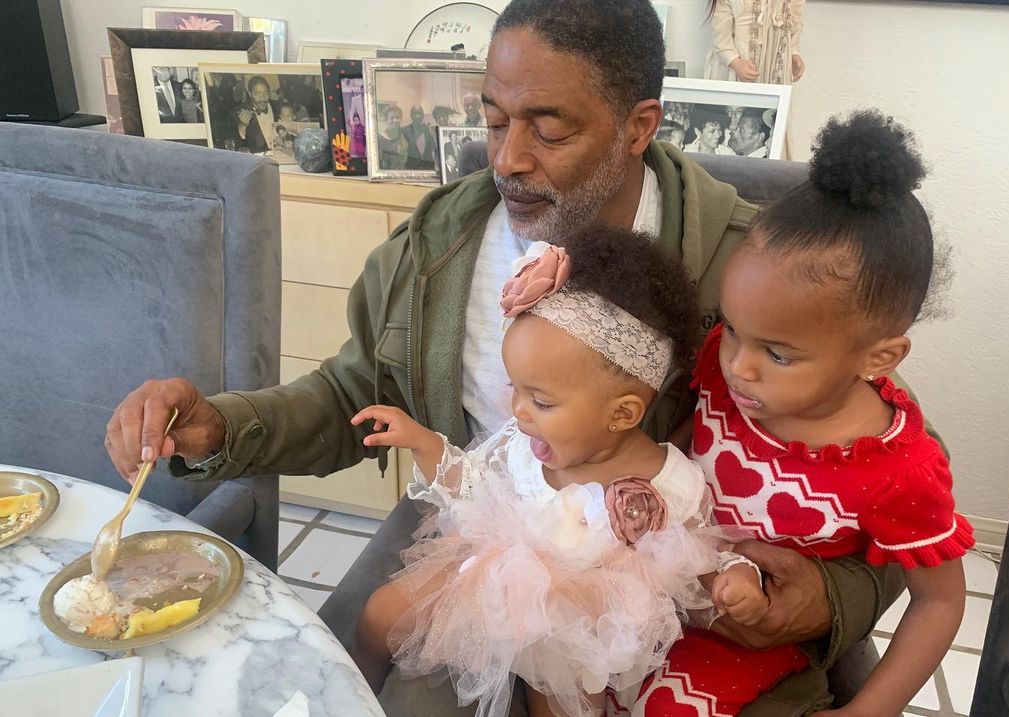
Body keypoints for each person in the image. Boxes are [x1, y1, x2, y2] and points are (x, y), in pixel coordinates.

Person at [104, 1, 915, 713]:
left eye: (548, 127)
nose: (507, 159)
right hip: (473, 515)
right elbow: (354, 393)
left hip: (655, 581)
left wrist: (832, 598)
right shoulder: (436, 243)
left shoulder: (748, 277)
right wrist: (223, 427)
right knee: (333, 674)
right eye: (494, 120)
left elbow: (884, 477)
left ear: (639, 125)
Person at [636, 110, 971, 716]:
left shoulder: (900, 469)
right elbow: (683, 446)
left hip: (743, 646)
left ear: (880, 356)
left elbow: (940, 603)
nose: (739, 365)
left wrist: (866, 711)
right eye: (734, 329)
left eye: (780, 353)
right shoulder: (725, 365)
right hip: (645, 593)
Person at [352, 229, 763, 716]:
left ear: (623, 413)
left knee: (570, 705)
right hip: (485, 582)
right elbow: (475, 486)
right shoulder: (521, 444)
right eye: (516, 388)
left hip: (574, 629)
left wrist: (738, 577)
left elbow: (703, 553)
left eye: (541, 401)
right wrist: (424, 443)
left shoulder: (670, 484)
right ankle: (348, 694)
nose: (518, 410)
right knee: (381, 613)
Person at [704, 0, 806, 85]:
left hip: (776, 64)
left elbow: (794, 20)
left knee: (773, 106)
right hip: (740, 63)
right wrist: (735, 62)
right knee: (739, 103)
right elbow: (721, 34)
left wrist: (793, 52)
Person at [237, 75, 280, 154]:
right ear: (250, 94)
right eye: (257, 94)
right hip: (256, 160)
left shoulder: (278, 107)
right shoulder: (239, 111)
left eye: (265, 93)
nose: (262, 98)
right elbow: (238, 146)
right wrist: (243, 125)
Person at [401, 105, 437, 170]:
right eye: (415, 113)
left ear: (423, 115)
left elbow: (432, 149)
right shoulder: (404, 130)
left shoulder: (428, 129)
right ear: (411, 115)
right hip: (412, 169)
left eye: (420, 113)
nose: (417, 116)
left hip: (428, 168)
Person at [377, 105, 409, 170]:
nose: (395, 120)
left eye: (398, 117)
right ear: (386, 120)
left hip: (402, 176)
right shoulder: (379, 139)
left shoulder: (404, 137)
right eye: (391, 118)